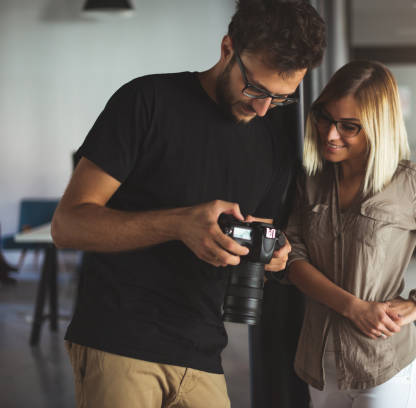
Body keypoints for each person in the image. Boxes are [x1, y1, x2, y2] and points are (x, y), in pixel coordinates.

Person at [50, 1, 326, 407]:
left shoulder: (271, 144)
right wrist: (179, 223)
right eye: (255, 89)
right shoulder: (147, 101)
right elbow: (67, 225)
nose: (263, 107)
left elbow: (254, 241)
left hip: (203, 352)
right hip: (120, 341)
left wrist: (271, 257)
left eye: (280, 98)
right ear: (228, 48)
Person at [284, 61, 416, 407]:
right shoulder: (311, 180)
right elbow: (293, 258)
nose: (330, 134)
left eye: (349, 127)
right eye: (325, 118)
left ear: (378, 127)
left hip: (385, 367)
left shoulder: (410, 183)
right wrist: (353, 307)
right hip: (319, 364)